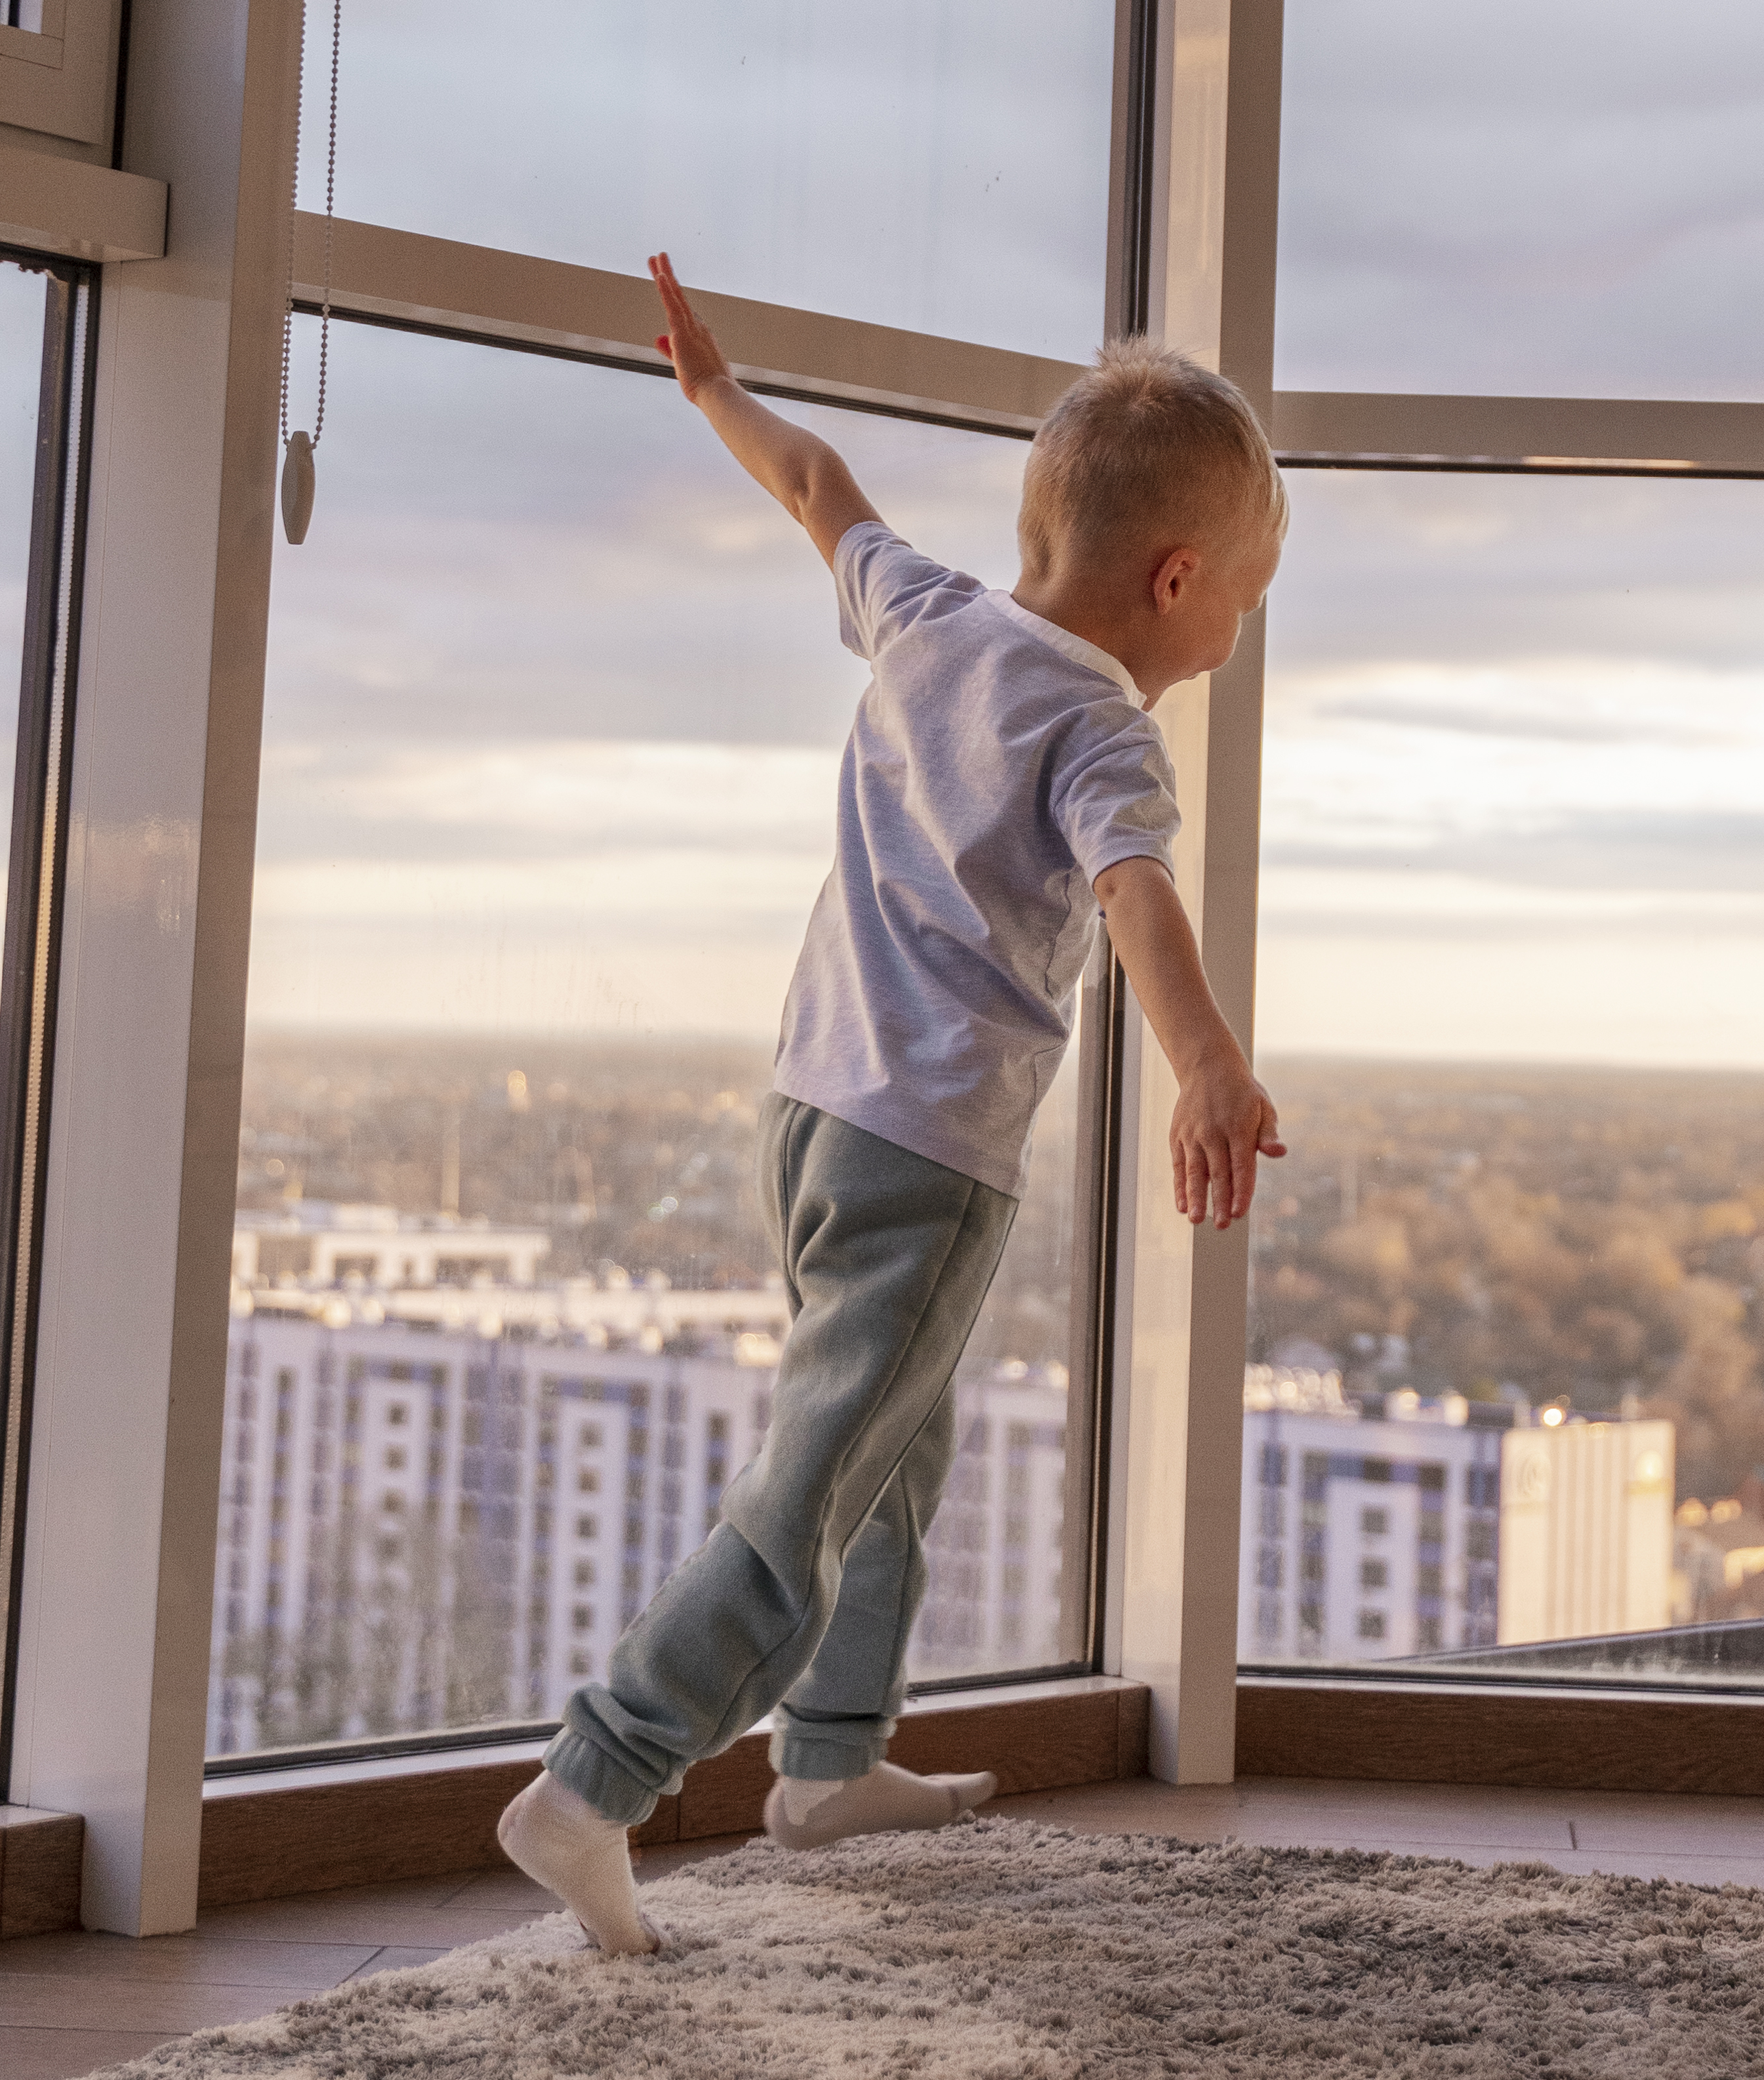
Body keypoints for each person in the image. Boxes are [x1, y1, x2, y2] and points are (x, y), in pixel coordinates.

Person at [499, 255, 1286, 1958]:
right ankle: (594, 1779)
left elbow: (815, 486)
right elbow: (1138, 899)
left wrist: (713, 390)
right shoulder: (1104, 731)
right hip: (928, 1157)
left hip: (808, 1118)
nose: (1234, 636)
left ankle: (830, 1765)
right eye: (1243, 603)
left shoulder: (926, 614)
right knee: (809, 1498)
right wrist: (1211, 1062)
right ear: (1176, 581)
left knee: (894, 1448)